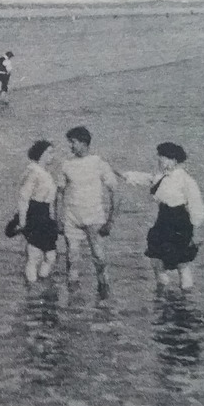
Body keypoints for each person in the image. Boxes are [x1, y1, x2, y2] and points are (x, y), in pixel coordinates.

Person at [119, 142, 204, 291]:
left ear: (175, 160)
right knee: (156, 260)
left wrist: (195, 229)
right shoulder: (161, 177)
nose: (160, 160)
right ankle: (162, 293)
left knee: (182, 263)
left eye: (164, 157)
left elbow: (196, 206)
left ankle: (185, 297)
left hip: (180, 223)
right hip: (163, 220)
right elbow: (146, 179)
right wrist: (125, 175)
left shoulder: (186, 180)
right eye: (160, 156)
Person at [54, 126, 117, 295]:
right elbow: (59, 194)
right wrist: (58, 217)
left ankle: (104, 291)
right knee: (72, 258)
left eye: (73, 142)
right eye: (70, 143)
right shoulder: (66, 165)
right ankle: (73, 298)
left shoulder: (99, 163)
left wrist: (110, 220)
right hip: (71, 217)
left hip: (94, 217)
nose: (71, 146)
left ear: (83, 143)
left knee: (99, 257)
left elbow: (114, 192)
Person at [14, 140, 60, 284]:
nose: (52, 156)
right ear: (41, 154)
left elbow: (52, 199)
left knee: (51, 256)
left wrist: (53, 218)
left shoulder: (45, 172)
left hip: (46, 214)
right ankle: (32, 287)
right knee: (34, 255)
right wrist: (22, 221)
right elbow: (23, 196)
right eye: (49, 152)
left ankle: (41, 282)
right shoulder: (33, 171)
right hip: (35, 212)